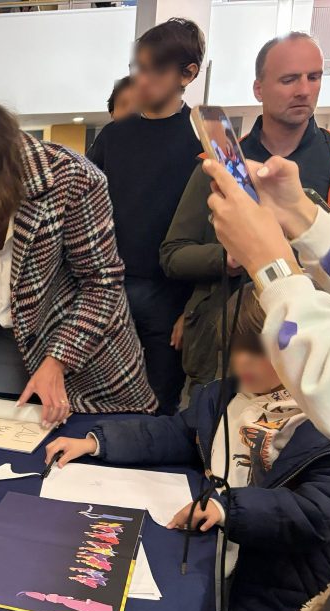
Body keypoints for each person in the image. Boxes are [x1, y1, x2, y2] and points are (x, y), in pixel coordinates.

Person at [44, 283, 330, 611]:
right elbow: (174, 433)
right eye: (236, 350)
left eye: (262, 354)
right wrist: (98, 442)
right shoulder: (223, 397)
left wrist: (231, 508)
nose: (243, 364)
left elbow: (326, 513)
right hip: (212, 576)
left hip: (267, 603)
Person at [203, 155, 330, 611]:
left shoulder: (314, 433)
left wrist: (273, 269)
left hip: (271, 605)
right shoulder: (225, 399)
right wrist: (298, 214)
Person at [0, 92, 156, 425]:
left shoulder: (72, 178)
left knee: (85, 447)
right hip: (6, 344)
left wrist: (58, 359)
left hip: (85, 354)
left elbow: (102, 285)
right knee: (4, 436)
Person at [161, 31, 330, 392]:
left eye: (314, 77)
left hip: (318, 354)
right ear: (258, 88)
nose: (304, 90)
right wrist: (232, 257)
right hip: (226, 352)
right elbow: (174, 254)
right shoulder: (216, 166)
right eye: (289, 79)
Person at [86, 18, 205, 415]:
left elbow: (219, 234)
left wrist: (193, 309)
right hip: (107, 292)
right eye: (139, 67)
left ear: (188, 74)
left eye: (156, 69)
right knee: (96, 404)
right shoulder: (113, 136)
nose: (143, 78)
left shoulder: (203, 141)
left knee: (157, 410)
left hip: (171, 298)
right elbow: (81, 215)